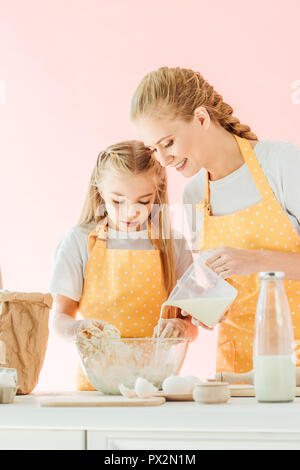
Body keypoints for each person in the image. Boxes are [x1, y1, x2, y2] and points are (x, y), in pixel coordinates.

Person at [130, 66, 300, 374]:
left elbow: (245, 264)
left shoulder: (282, 165)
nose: (164, 160)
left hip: (295, 363)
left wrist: (255, 261)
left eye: (168, 142)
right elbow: (217, 291)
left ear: (201, 119)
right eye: (155, 149)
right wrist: (192, 313)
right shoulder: (195, 195)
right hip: (236, 371)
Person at [49, 140, 197, 390]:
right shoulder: (80, 241)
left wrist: (181, 326)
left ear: (157, 192)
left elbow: (192, 327)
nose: (131, 212)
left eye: (144, 201)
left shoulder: (174, 246)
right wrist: (78, 329)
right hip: (96, 389)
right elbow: (60, 318)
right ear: (100, 193)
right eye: (118, 201)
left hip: (156, 388)